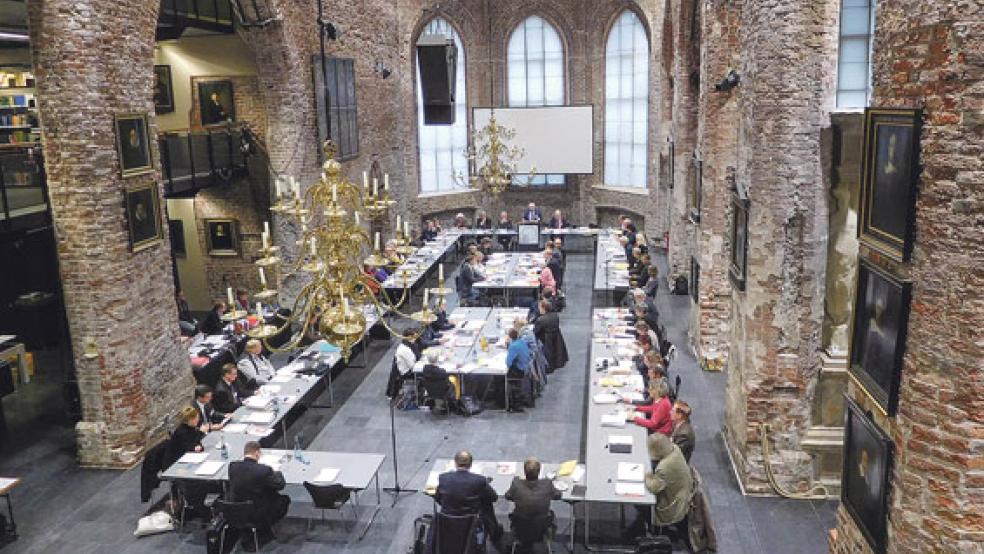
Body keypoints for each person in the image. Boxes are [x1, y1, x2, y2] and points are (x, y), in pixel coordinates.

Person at [625, 434, 693, 540]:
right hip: (681, 493)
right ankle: (638, 526)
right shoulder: (675, 449)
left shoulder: (665, 467)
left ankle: (644, 529)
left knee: (640, 504)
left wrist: (647, 478)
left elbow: (654, 487)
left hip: (672, 503)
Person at [228, 441, 290, 549]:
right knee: (284, 500)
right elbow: (280, 485)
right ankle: (265, 529)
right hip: (257, 513)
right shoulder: (263, 470)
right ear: (257, 453)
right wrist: (277, 472)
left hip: (237, 511)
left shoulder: (232, 466)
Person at [435, 450, 501, 542]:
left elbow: (438, 498)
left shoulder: (443, 478)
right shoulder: (479, 480)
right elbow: (494, 497)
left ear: (455, 463)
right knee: (486, 503)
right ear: (470, 464)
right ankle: (494, 531)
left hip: (448, 521)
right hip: (470, 523)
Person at [505, 457, 561, 552]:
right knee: (552, 515)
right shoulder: (547, 484)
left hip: (520, 527)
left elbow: (508, 496)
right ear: (539, 472)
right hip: (542, 527)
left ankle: (512, 542)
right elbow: (558, 495)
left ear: (524, 471)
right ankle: (550, 540)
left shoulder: (516, 483)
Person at [534, 300, 568, 371]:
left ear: (543, 308)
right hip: (555, 340)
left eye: (540, 308)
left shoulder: (541, 320)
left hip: (545, 341)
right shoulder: (555, 316)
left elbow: (535, 332)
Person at [505, 328, 532, 412]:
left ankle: (510, 402)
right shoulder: (522, 341)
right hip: (526, 366)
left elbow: (508, 362)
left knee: (503, 376)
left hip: (519, 370)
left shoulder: (513, 346)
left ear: (509, 337)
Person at [386, 334, 419, 398]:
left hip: (406, 368)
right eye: (414, 337)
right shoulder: (404, 350)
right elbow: (412, 365)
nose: (415, 339)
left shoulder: (405, 346)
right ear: (409, 337)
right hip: (406, 372)